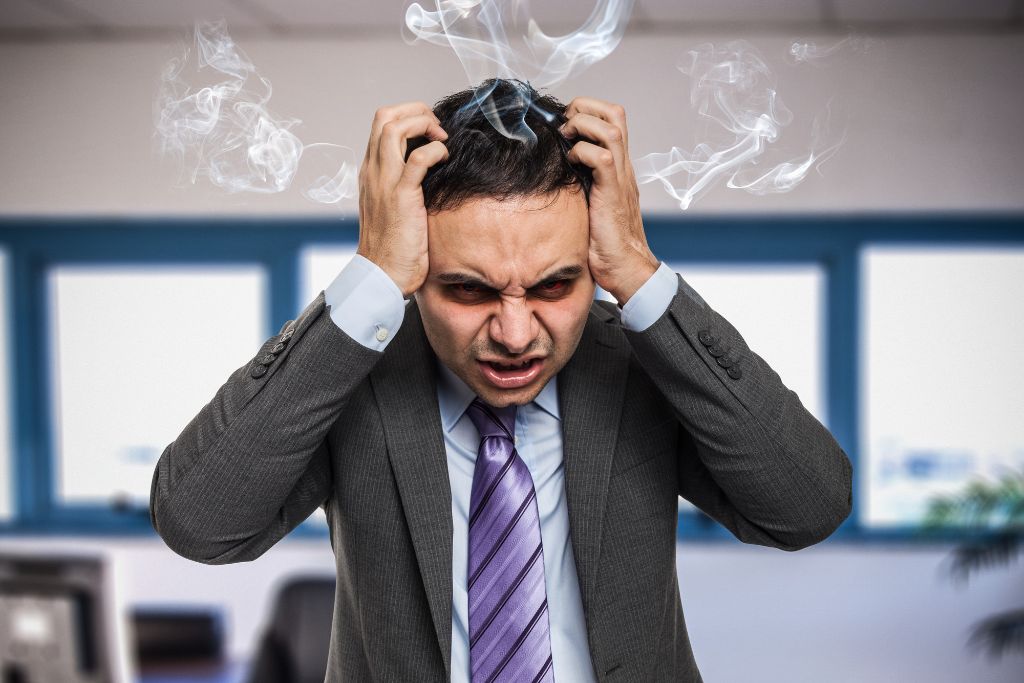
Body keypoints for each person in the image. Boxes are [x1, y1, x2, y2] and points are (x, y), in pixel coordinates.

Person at [150, 78, 853, 682]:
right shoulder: (357, 371)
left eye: (555, 284)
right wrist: (369, 279)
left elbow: (808, 505)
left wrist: (637, 269)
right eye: (468, 290)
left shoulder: (641, 362)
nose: (516, 335)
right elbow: (200, 523)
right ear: (417, 274)